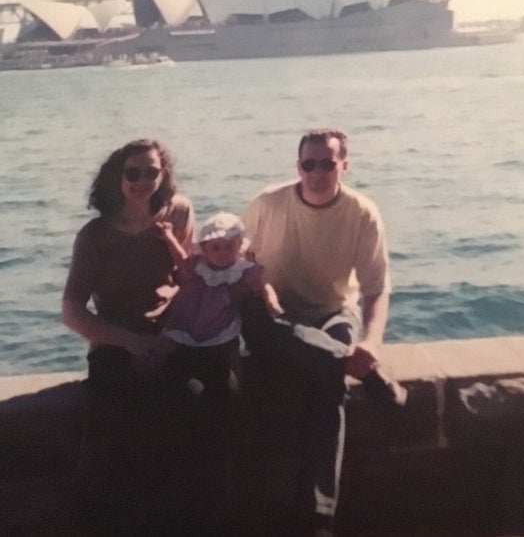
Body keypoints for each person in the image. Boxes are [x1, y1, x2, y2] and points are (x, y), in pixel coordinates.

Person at [239, 127, 406, 537]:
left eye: (326, 163)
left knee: (328, 376)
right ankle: (320, 517)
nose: (316, 172)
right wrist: (257, 284)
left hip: (332, 313)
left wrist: (371, 343)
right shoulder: (267, 203)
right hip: (274, 315)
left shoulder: (361, 211)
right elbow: (238, 261)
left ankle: (318, 515)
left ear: (344, 165)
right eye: (308, 164)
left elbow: (375, 288)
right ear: (298, 166)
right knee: (326, 368)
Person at [61, 138, 206, 532]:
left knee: (193, 405)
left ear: (163, 175)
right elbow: (72, 309)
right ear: (117, 177)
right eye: (133, 173)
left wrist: (174, 333)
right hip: (116, 342)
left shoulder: (179, 212)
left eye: (151, 172)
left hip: (169, 335)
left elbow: (190, 281)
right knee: (112, 427)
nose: (143, 181)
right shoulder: (95, 235)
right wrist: (130, 342)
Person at [157, 211, 282, 397]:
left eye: (229, 247)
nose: (222, 253)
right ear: (205, 249)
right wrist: (168, 237)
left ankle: (242, 386)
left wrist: (271, 299)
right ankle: (153, 369)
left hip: (221, 319)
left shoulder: (241, 269)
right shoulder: (199, 265)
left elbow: (262, 284)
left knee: (230, 351)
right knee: (170, 343)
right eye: (216, 248)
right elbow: (180, 260)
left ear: (239, 246)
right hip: (190, 316)